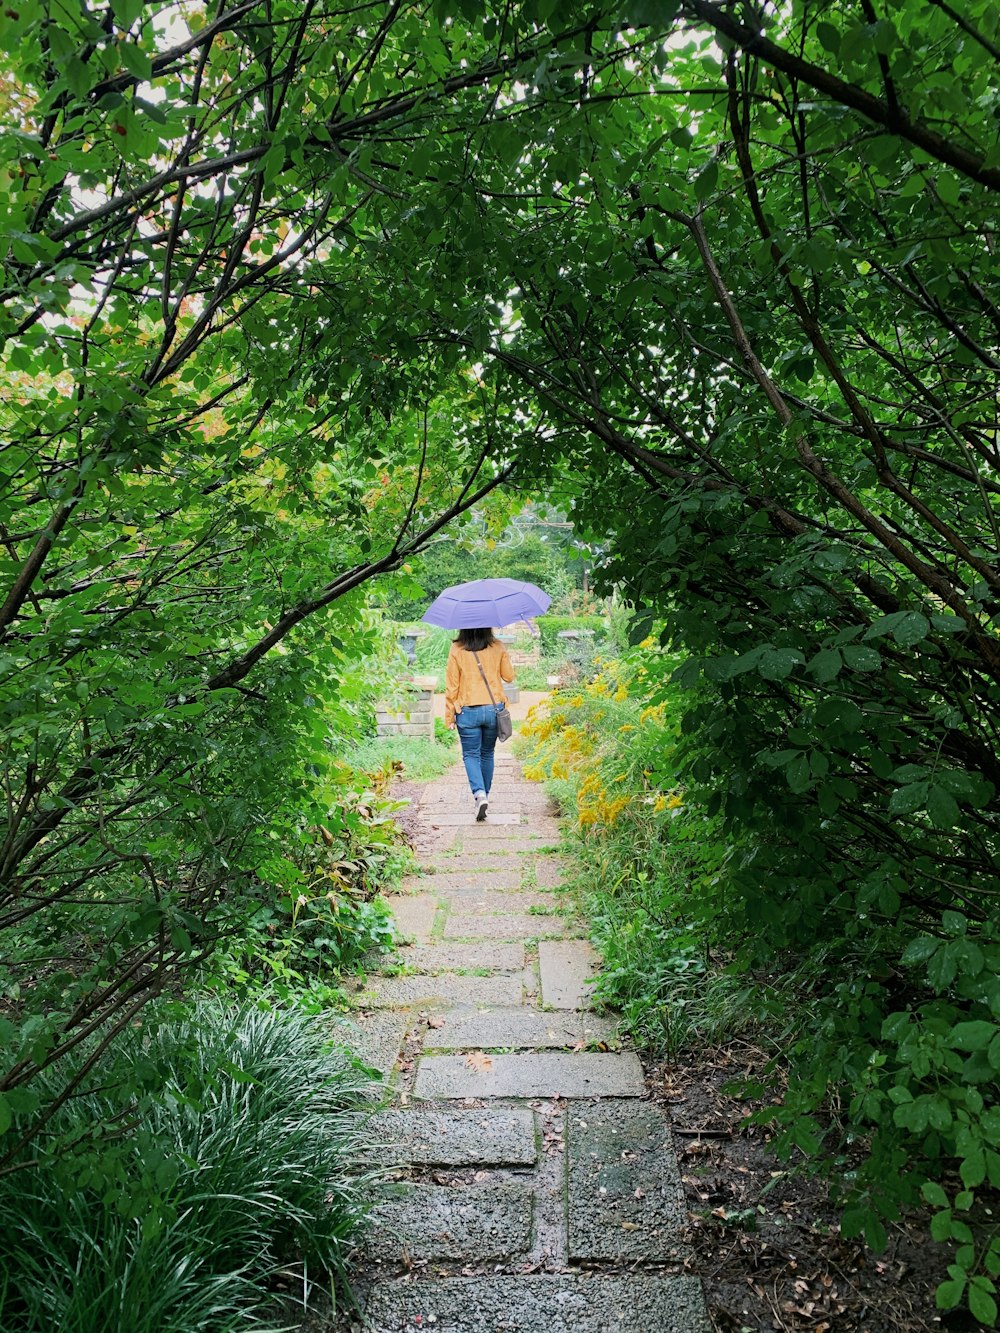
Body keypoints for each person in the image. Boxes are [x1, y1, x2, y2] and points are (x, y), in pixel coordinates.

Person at [444, 627, 515, 821]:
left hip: (467, 711)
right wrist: (503, 655)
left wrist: (449, 715)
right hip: (493, 710)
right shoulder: (497, 646)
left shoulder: (457, 649)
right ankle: (485, 795)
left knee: (470, 754)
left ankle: (479, 794)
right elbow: (509, 676)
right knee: (487, 753)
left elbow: (452, 686)